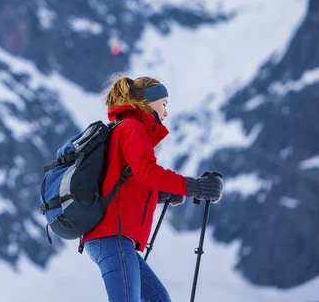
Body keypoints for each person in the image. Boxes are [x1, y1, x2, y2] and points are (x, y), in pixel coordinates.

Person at [82, 75, 224, 302]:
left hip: (113, 238)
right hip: (112, 237)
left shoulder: (125, 128)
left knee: (159, 299)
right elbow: (147, 172)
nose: (166, 112)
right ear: (148, 102)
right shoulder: (132, 127)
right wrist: (194, 187)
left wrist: (161, 194)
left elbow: (125, 184)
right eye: (164, 104)